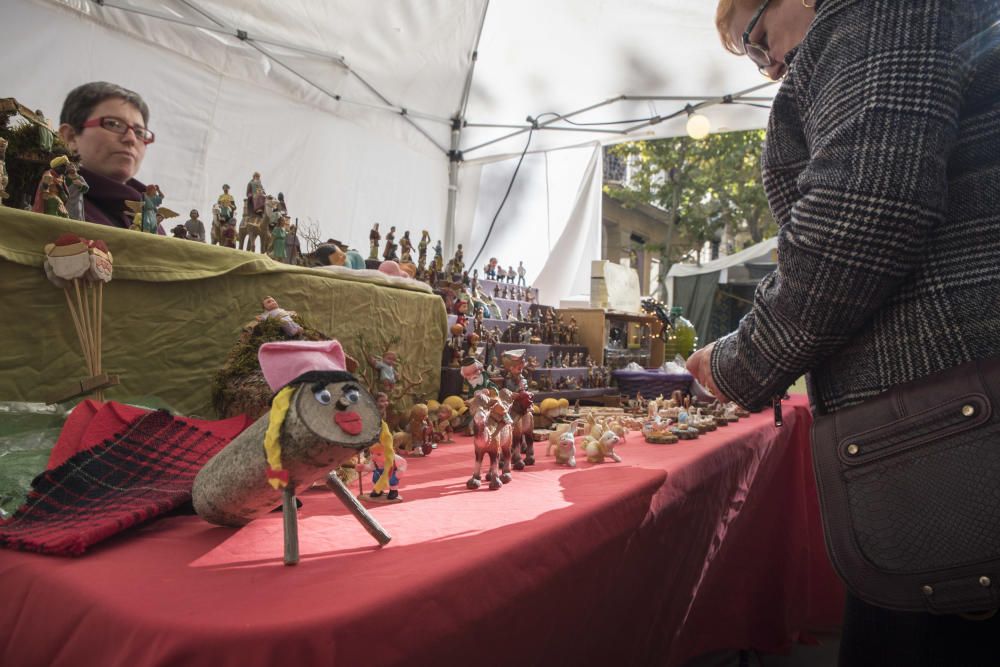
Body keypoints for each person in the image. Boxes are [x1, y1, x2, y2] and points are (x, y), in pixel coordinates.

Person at [691, 1, 1000, 664]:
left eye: (757, 40)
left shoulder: (876, 10)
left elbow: (864, 212)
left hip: (947, 436)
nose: (767, 65)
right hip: (946, 424)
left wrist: (737, 363)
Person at [56, 81, 163, 233]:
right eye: (114, 124)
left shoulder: (151, 217)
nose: (131, 139)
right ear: (71, 137)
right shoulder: (51, 201)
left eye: (140, 132)